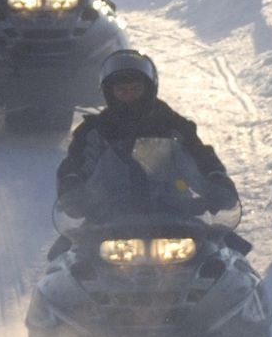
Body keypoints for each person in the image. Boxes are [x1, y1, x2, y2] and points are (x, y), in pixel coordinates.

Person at [54, 49, 238, 215]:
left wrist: (216, 180)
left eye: (135, 89)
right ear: (109, 92)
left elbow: (199, 156)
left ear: (149, 89)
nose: (129, 96)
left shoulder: (172, 124)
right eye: (122, 90)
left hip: (174, 211)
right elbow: (76, 161)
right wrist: (71, 186)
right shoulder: (94, 130)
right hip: (108, 214)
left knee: (218, 249)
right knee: (70, 251)